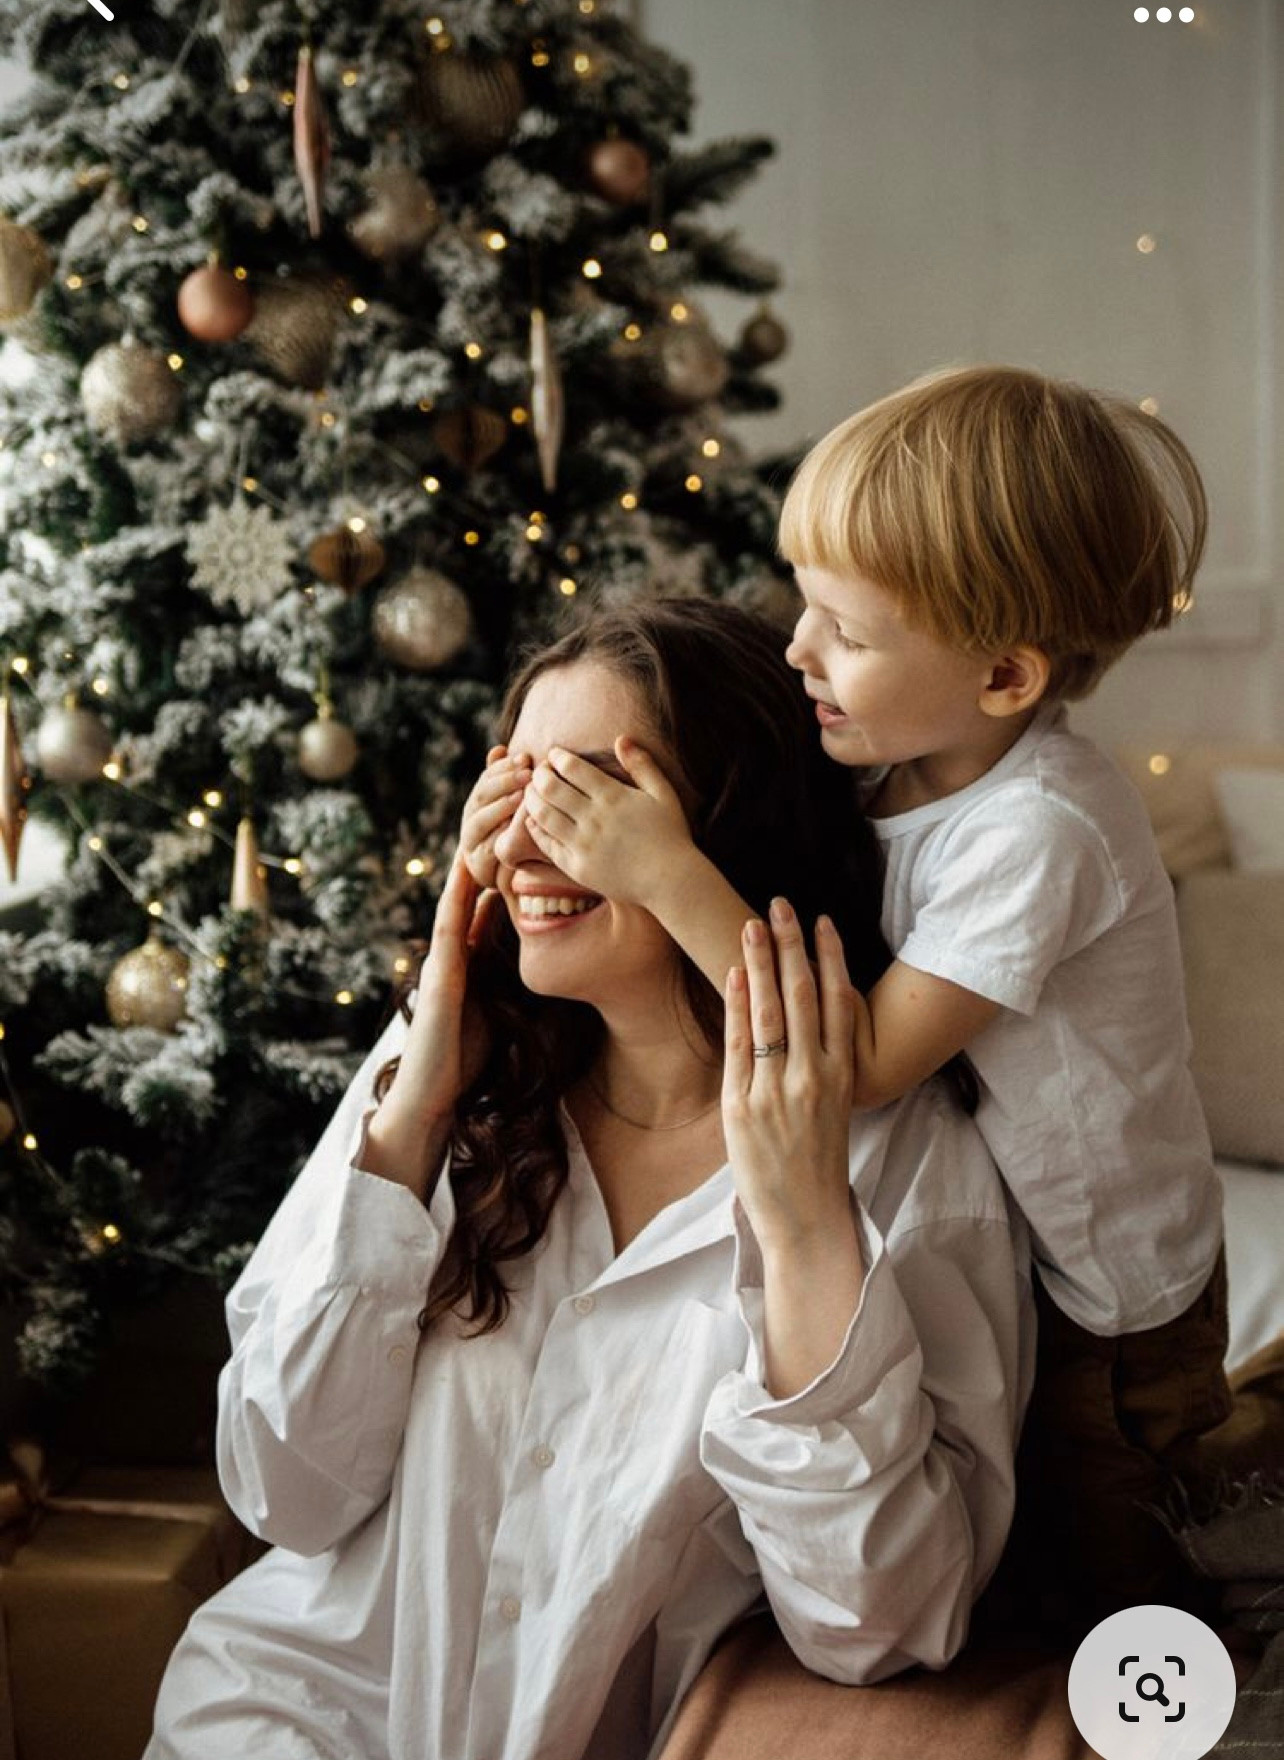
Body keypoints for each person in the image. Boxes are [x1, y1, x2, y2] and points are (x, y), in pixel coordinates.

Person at [146, 598, 1032, 1760]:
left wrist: (808, 1224)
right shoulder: (446, 1072)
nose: (520, 847)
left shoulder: (911, 1163)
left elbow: (877, 1625)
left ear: (724, 823)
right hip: (285, 1719)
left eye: (587, 796)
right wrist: (412, 1115)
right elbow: (282, 1490)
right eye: (509, 791)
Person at [516, 368, 1231, 1628]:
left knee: (1123, 1575)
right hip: (1017, 1246)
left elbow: (853, 1064)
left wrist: (666, 871)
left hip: (1117, 1302)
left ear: (1005, 678)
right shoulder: (891, 764)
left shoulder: (1044, 829)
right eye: (805, 605)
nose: (799, 647)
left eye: (845, 630)